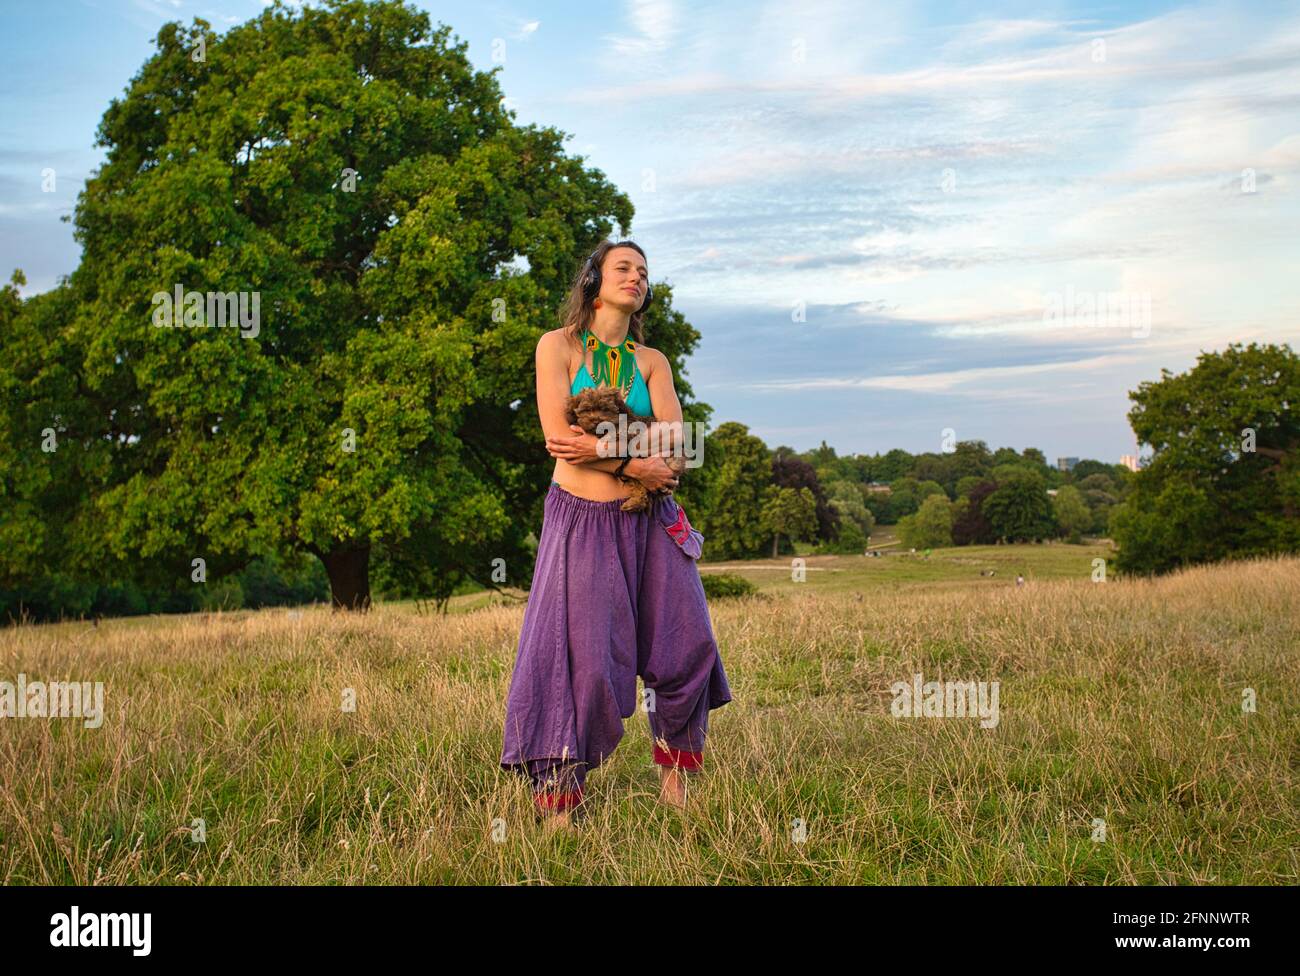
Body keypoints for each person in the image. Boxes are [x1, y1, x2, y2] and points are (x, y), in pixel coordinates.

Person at [499, 240, 732, 828]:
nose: (636, 277)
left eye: (644, 272)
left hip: (650, 519)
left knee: (686, 643)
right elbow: (559, 441)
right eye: (623, 267)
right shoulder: (557, 347)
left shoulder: (653, 362)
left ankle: (677, 789)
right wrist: (635, 461)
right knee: (583, 662)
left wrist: (605, 450)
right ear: (593, 281)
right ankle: (558, 807)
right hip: (582, 519)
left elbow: (676, 447)